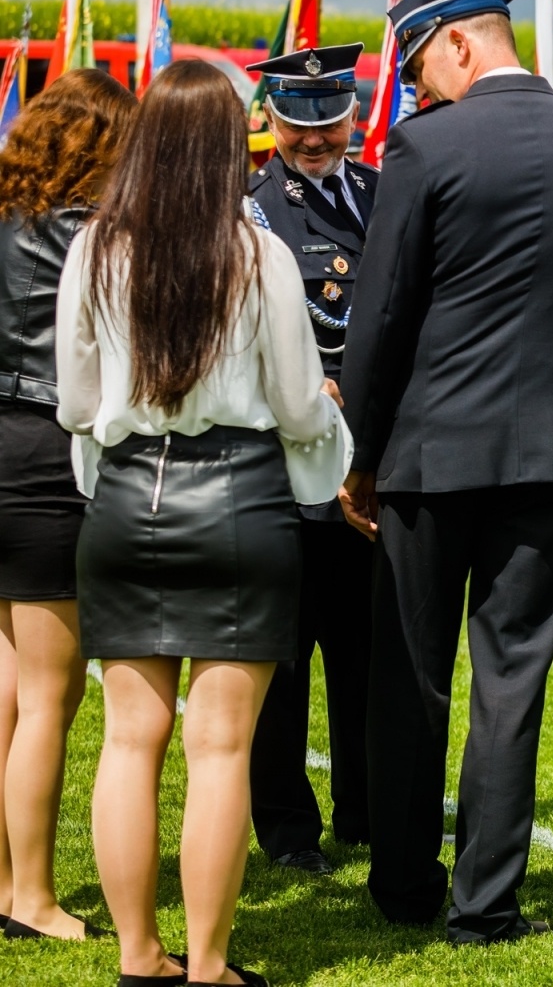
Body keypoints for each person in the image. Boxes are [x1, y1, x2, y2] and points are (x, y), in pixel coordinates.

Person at [338, 0, 553, 945]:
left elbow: (381, 313)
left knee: (411, 673)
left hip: (429, 454)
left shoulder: (424, 145)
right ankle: (487, 903)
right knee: (512, 682)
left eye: (419, 64)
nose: (417, 85)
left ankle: (404, 882)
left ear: (460, 44)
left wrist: (360, 454)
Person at [57, 59, 349, 987]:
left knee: (128, 740)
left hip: (125, 498)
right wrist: (328, 426)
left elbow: (77, 403)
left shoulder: (94, 248)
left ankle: (140, 956)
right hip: (238, 500)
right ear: (231, 146)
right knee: (221, 748)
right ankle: (210, 965)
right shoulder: (258, 254)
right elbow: (299, 406)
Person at [0, 69, 134, 942]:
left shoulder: (5, 219)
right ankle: (33, 898)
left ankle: (8, 883)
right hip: (51, 453)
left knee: (10, 686)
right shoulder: (100, 239)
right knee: (49, 696)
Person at [243, 43, 377, 878]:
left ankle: (368, 811)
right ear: (272, 120)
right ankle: (289, 830)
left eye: (330, 122)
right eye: (298, 124)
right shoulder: (251, 213)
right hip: (285, 472)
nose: (316, 139)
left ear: (353, 116)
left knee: (366, 657)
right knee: (282, 667)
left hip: (370, 471)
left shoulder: (383, 195)